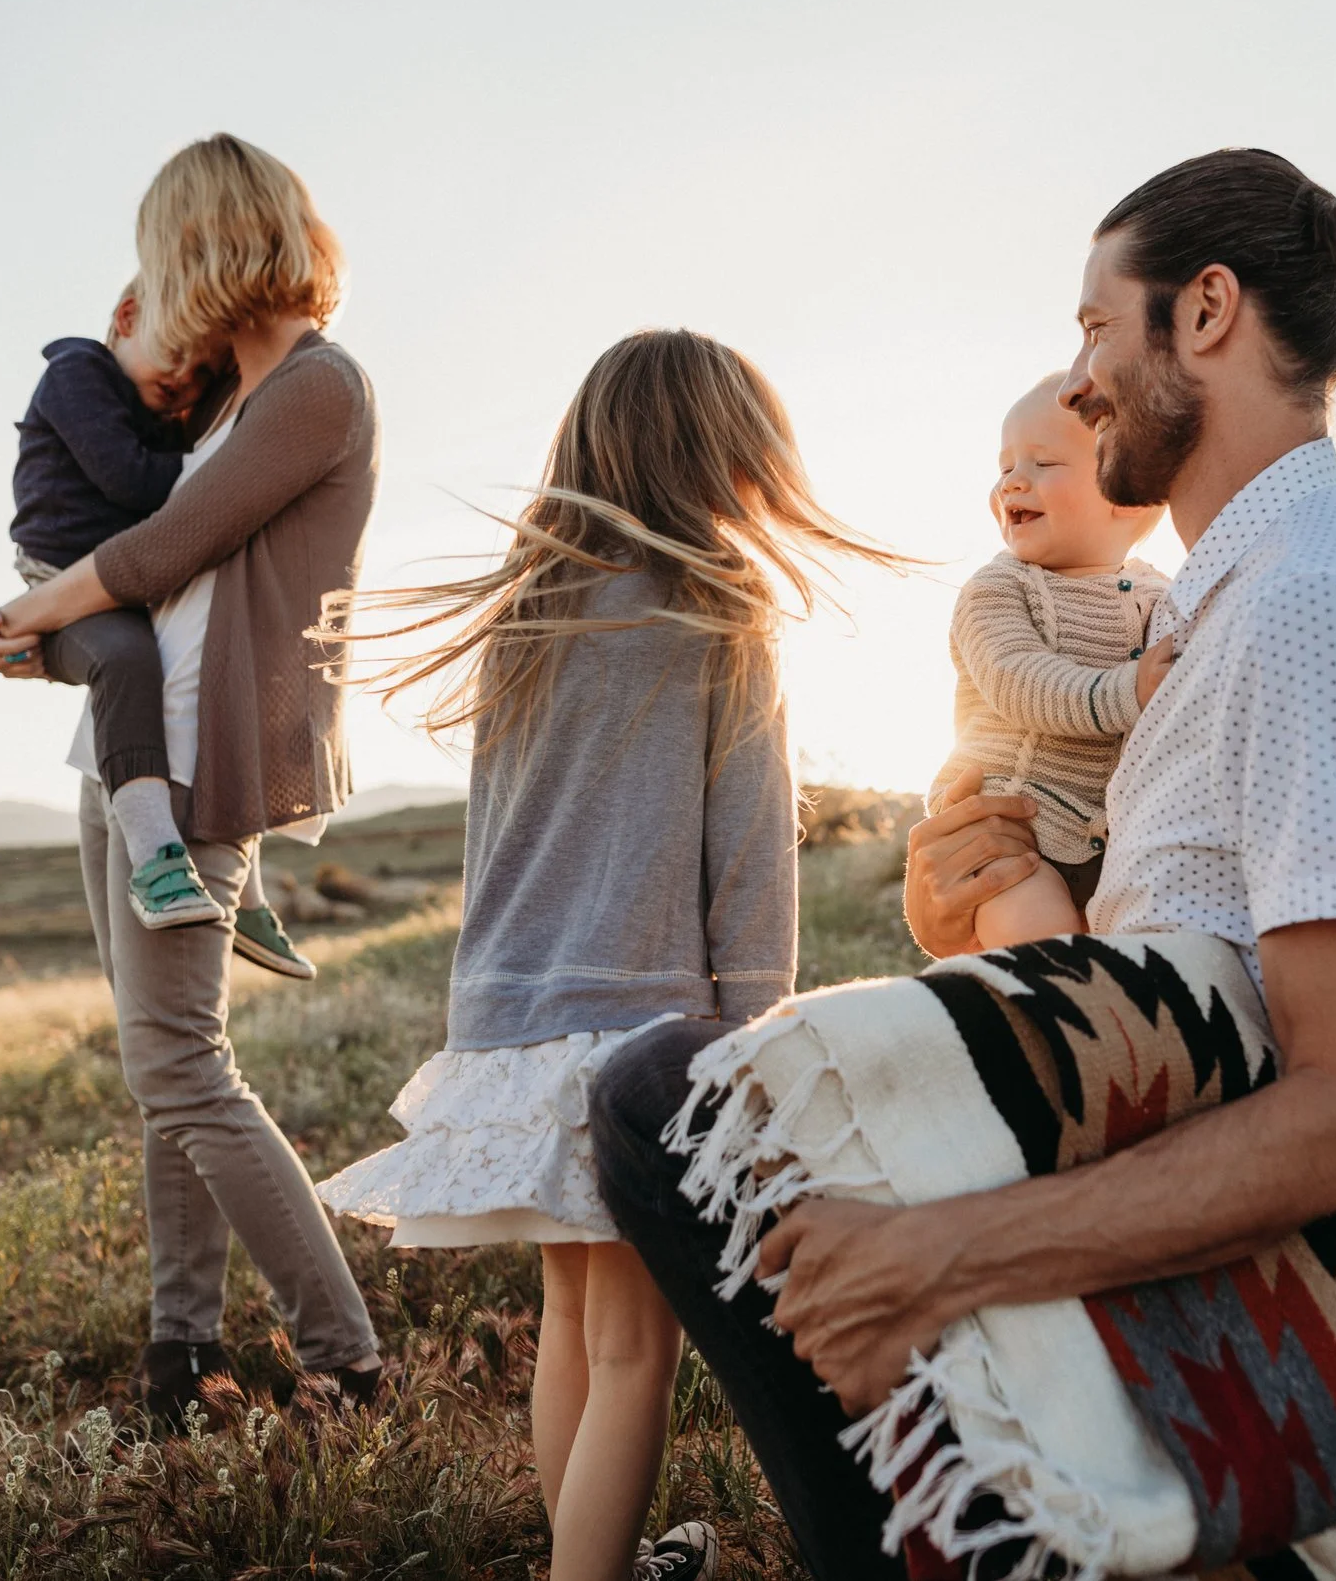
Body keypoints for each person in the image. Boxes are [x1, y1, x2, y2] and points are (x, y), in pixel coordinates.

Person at [591, 147, 1336, 1580]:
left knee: (663, 1103)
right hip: (1191, 1224)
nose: (1077, 381)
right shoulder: (1220, 608)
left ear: (1205, 312)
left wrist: (942, 1252)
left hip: (1285, 1340)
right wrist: (975, 924)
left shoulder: (1314, 604)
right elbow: (1179, 976)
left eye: (1093, 328)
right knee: (700, 1107)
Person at [316, 330, 906, 1581]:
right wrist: (755, 1047)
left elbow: (496, 841)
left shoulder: (526, 619)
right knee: (640, 1347)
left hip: (512, 1025)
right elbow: (750, 861)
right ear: (719, 454)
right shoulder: (718, 610)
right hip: (643, 1035)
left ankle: (603, 1558)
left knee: (574, 1327)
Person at [0, 133, 384, 1420]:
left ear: (205, 245)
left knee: (183, 1068)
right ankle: (181, 1346)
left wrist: (32, 606)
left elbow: (163, 552)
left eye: (163, 259)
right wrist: (51, 641)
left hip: (206, 767)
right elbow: (153, 598)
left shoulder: (319, 388)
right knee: (162, 1068)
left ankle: (347, 1358)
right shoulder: (221, 409)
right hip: (126, 759)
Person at [3, 282, 308, 974]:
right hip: (66, 589)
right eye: (177, 351)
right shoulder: (77, 376)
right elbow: (134, 483)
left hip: (128, 586)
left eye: (204, 372)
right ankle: (157, 862)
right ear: (127, 317)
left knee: (218, 676)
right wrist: (228, 468)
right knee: (127, 663)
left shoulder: (154, 406)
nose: (185, 379)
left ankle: (247, 893)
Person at [926, 373, 1172, 947]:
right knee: (1042, 945)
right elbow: (1017, 680)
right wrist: (1129, 690)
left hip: (1113, 842)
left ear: (1129, 497)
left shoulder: (1162, 596)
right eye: (1005, 466)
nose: (1012, 481)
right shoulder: (995, 589)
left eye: (1043, 463)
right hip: (1012, 833)